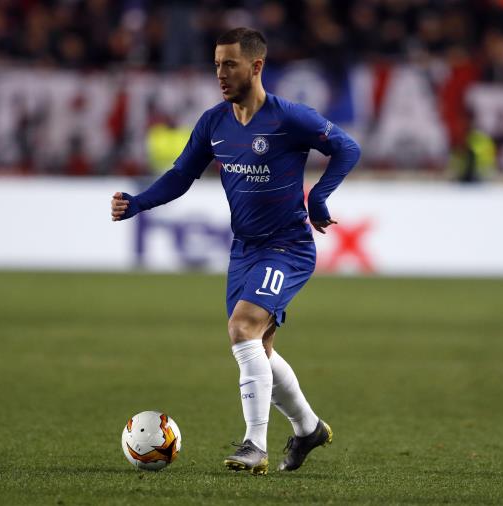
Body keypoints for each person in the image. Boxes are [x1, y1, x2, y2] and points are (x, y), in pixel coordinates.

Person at [111, 27, 361, 475]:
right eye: (216, 65)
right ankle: (308, 429)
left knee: (242, 327)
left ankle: (254, 446)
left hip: (287, 248)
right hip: (244, 250)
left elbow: (347, 147)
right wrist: (138, 203)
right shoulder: (214, 122)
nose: (221, 74)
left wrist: (319, 197)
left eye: (230, 64)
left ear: (256, 66)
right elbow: (181, 174)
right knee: (258, 347)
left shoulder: (289, 117)